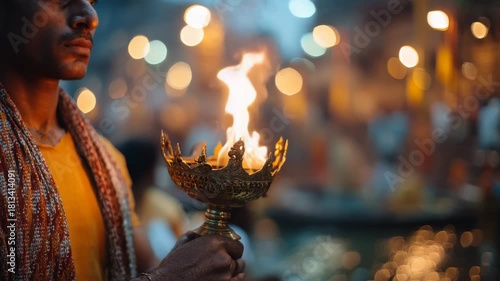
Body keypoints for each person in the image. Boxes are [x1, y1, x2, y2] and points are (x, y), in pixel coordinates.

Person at [0, 1, 245, 280]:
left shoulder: (107, 164)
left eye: (92, 2)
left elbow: (147, 268)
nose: (89, 18)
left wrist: (197, 265)